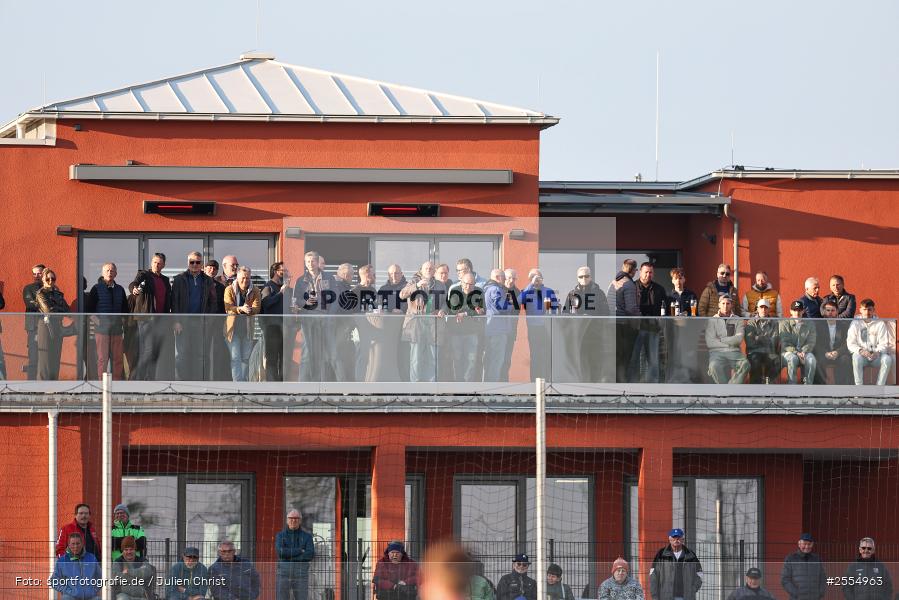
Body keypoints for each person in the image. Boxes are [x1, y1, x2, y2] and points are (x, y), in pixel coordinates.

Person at [171, 251, 216, 380]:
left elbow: (213, 302)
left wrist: (208, 321)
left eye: (198, 262)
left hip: (201, 323)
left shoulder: (208, 280)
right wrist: (176, 321)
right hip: (183, 324)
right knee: (182, 355)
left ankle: (202, 383)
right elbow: (174, 301)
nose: (195, 265)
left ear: (201, 264)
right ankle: (183, 383)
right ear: (188, 263)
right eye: (192, 262)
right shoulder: (179, 279)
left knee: (201, 355)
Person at [400, 261, 447, 382]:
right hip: (416, 324)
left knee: (433, 357)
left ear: (434, 271)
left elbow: (446, 303)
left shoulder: (441, 285)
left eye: (431, 269)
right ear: (421, 270)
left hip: (434, 324)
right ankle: (415, 387)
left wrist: (442, 310)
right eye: (426, 268)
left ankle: (431, 387)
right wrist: (417, 285)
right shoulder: (413, 282)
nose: (428, 270)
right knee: (416, 358)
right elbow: (402, 295)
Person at [130, 252, 174, 380]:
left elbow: (168, 300)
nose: (157, 265)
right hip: (146, 319)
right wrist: (134, 289)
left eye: (160, 263)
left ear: (164, 265)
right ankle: (138, 379)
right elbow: (134, 284)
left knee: (155, 352)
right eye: (155, 262)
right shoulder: (144, 275)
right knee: (147, 350)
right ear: (151, 263)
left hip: (161, 320)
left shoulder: (165, 280)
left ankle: (151, 380)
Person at [85, 262, 129, 380]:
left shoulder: (120, 289)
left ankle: (117, 384)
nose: (109, 272)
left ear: (116, 273)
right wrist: (99, 323)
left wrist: (123, 323)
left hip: (117, 330)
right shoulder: (96, 289)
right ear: (102, 273)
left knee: (118, 359)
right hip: (102, 330)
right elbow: (89, 311)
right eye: (107, 270)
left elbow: (125, 311)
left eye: (112, 270)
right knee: (102, 359)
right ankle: (101, 385)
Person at [567, 266, 610, 382]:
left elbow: (606, 313)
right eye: (581, 276)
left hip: (595, 334)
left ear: (591, 277)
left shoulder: (599, 293)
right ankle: (581, 387)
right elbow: (566, 315)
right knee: (580, 362)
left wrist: (593, 320)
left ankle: (595, 388)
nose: (584, 278)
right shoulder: (572, 294)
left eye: (586, 276)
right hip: (578, 335)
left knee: (595, 361)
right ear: (577, 278)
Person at [628, 262, 665, 383]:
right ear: (640, 272)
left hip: (652, 328)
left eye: (651, 272)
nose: (648, 275)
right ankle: (632, 388)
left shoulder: (659, 289)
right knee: (634, 359)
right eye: (646, 272)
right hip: (635, 329)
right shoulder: (631, 287)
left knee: (653, 360)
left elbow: (664, 308)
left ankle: (653, 389)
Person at [445, 272, 485, 382]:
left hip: (472, 332)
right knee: (457, 359)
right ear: (461, 283)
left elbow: (482, 309)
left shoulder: (479, 291)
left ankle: (468, 387)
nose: (469, 287)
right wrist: (472, 309)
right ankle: (458, 386)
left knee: (471, 360)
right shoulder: (455, 290)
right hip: (456, 332)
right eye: (467, 284)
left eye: (472, 284)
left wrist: (466, 313)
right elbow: (454, 309)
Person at [224, 266, 261, 382]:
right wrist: (241, 309)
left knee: (246, 357)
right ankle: (237, 384)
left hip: (248, 329)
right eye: (243, 278)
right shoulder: (229, 289)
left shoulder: (255, 290)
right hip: (232, 330)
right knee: (235, 358)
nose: (245, 280)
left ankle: (244, 383)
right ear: (237, 277)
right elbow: (228, 308)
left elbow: (257, 308)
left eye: (248, 278)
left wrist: (249, 310)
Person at [519, 268, 557, 380]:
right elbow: (518, 301)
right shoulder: (526, 291)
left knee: (546, 356)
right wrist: (530, 285)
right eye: (533, 278)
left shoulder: (548, 291)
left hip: (546, 327)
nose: (536, 280)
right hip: (533, 328)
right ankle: (534, 383)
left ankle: (546, 381)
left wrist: (550, 310)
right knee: (535, 355)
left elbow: (554, 309)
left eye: (538, 277)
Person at [847, 299, 895, 386]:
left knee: (887, 359)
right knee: (856, 357)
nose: (867, 312)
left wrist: (877, 352)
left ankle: (879, 387)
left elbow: (884, 343)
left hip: (876, 356)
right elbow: (850, 343)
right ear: (860, 310)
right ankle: (859, 388)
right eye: (864, 309)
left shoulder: (880, 324)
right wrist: (861, 351)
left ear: (874, 310)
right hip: (862, 356)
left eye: (869, 309)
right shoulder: (855, 323)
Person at [705, 295, 750, 384]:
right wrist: (729, 342)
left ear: (731, 305)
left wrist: (720, 340)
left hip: (734, 351)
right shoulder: (712, 320)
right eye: (723, 303)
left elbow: (738, 338)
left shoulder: (737, 319)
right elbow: (710, 342)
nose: (725, 306)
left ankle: (730, 388)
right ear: (719, 305)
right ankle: (724, 389)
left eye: (728, 303)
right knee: (713, 366)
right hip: (717, 352)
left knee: (745, 364)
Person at [607, 259, 639, 382]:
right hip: (623, 326)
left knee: (616, 356)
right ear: (634, 271)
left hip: (612, 324)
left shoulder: (614, 282)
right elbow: (631, 308)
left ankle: (615, 383)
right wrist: (640, 319)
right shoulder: (628, 284)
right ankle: (621, 385)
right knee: (624, 357)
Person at [649, 528, 704, 600]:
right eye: (674, 537)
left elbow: (699, 573)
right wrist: (654, 595)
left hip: (686, 597)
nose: (676, 540)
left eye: (678, 537)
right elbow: (653, 575)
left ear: (683, 539)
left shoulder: (690, 555)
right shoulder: (661, 554)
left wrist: (692, 589)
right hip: (665, 597)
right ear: (669, 539)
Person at [36, 267, 70, 380]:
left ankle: (53, 385)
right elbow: (48, 311)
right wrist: (59, 309)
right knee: (45, 359)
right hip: (45, 326)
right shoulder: (40, 293)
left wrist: (57, 308)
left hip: (57, 326)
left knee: (56, 357)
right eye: (48, 278)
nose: (51, 281)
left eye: (53, 279)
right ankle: (42, 387)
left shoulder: (59, 294)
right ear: (43, 279)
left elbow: (67, 310)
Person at [379, 264, 410, 381]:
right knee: (388, 356)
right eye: (391, 273)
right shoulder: (382, 289)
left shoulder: (407, 287)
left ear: (401, 274)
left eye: (396, 273)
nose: (394, 276)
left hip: (404, 328)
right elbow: (379, 305)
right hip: (387, 329)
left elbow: (411, 305)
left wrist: (402, 310)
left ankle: (404, 383)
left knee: (403, 357)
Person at [483, 269, 515, 382]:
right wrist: (510, 305)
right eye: (503, 277)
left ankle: (488, 385)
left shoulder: (487, 288)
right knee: (497, 359)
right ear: (497, 277)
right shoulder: (495, 289)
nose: (505, 280)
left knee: (491, 358)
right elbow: (501, 307)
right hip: (498, 330)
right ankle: (492, 387)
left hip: (492, 328)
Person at [276, 508, 316, 600]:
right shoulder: (280, 536)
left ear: (300, 520)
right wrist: (299, 550)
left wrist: (288, 557)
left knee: (302, 598)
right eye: (291, 518)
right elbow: (281, 552)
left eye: (296, 518)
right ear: (287, 520)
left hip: (301, 573)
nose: (293, 520)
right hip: (284, 573)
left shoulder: (307, 537)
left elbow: (309, 554)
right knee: (282, 598)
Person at [261, 261, 291, 382]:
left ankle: (283, 385)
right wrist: (280, 293)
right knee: (272, 357)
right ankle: (272, 385)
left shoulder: (288, 288)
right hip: (272, 328)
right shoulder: (268, 286)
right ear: (275, 272)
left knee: (285, 358)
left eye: (286, 271)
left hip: (286, 327)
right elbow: (266, 303)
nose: (285, 273)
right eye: (282, 271)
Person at [52, 532, 101, 600]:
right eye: (73, 544)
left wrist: (94, 590)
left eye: (78, 543)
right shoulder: (62, 560)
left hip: (90, 597)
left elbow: (100, 577)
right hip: (71, 597)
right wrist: (67, 591)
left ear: (82, 544)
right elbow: (54, 580)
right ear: (68, 545)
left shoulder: (91, 558)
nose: (75, 546)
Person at [204, 260, 231, 381]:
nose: (212, 270)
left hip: (218, 322)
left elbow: (224, 305)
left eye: (214, 268)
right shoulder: (199, 283)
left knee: (218, 351)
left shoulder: (221, 286)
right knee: (203, 351)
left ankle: (217, 378)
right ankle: (204, 378)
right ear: (204, 268)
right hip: (203, 322)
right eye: (209, 267)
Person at [779, 301, 818, 384]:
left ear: (803, 311)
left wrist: (804, 351)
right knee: (793, 359)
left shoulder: (810, 324)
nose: (797, 312)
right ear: (790, 311)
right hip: (788, 352)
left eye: (799, 310)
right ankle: (792, 389)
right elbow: (785, 343)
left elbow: (811, 341)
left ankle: (807, 388)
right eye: (794, 310)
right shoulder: (784, 323)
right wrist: (797, 352)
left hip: (805, 352)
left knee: (811, 360)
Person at [815, 301, 852, 384]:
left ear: (837, 311)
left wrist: (837, 352)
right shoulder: (818, 325)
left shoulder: (843, 325)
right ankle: (821, 388)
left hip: (838, 354)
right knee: (817, 359)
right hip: (824, 354)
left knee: (846, 359)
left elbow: (847, 343)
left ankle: (841, 388)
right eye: (828, 310)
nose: (830, 313)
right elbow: (816, 344)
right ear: (824, 312)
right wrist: (825, 353)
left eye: (832, 310)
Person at [780, 533, 826, 600]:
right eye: (804, 544)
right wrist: (796, 594)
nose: (807, 546)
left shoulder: (817, 559)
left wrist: (820, 593)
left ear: (812, 545)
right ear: (799, 544)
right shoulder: (790, 558)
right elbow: (785, 580)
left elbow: (823, 578)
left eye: (809, 544)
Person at [745, 299, 780, 383]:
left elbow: (774, 340)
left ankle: (770, 386)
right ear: (757, 309)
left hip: (769, 351)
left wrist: (758, 338)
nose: (763, 310)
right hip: (754, 351)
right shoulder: (751, 322)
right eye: (761, 307)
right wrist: (766, 338)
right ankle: (755, 389)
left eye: (766, 307)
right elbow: (750, 342)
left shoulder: (774, 323)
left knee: (777, 361)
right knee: (755, 362)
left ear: (769, 309)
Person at [111, 535, 156, 600]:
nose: (129, 552)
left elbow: (146, 572)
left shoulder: (142, 560)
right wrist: (138, 578)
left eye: (131, 549)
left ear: (135, 550)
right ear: (122, 551)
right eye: (126, 550)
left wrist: (128, 572)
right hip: (123, 595)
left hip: (141, 596)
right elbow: (116, 577)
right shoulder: (118, 562)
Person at [23, 263, 46, 379]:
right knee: (33, 356)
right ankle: (31, 385)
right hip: (33, 327)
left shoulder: (52, 288)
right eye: (34, 274)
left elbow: (59, 307)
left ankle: (45, 385)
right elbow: (31, 304)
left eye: (39, 273)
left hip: (48, 328)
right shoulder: (28, 288)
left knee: (46, 357)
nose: (36, 276)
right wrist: (47, 307)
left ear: (44, 273)